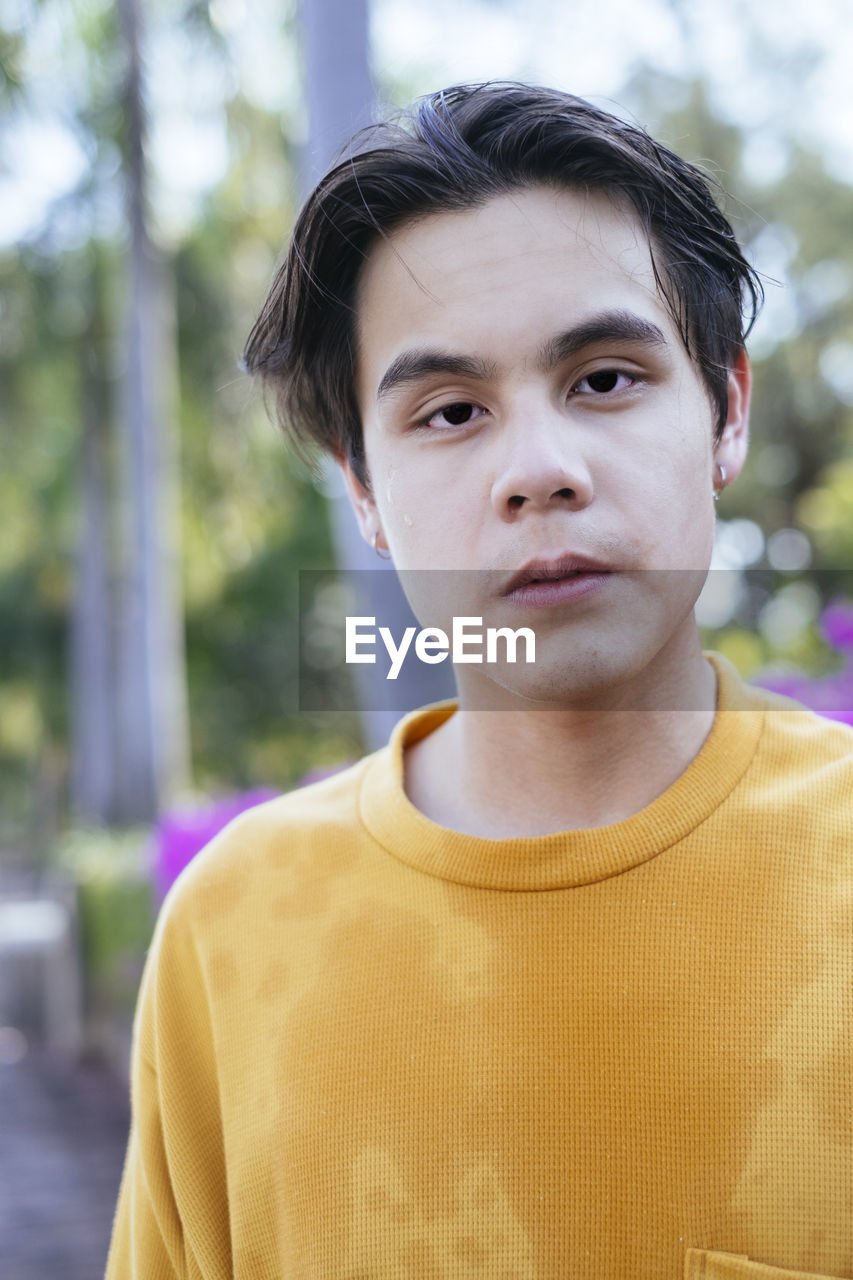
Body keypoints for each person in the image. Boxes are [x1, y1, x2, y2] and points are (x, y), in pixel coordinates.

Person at [106, 83, 853, 1279]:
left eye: (604, 379)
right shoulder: (235, 926)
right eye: (451, 410)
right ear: (362, 487)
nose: (538, 471)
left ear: (725, 410)